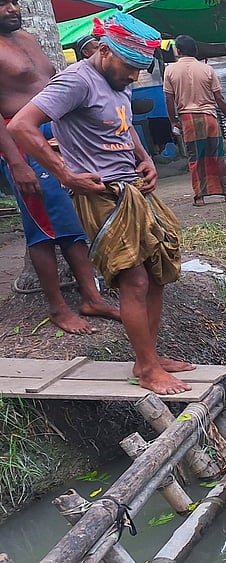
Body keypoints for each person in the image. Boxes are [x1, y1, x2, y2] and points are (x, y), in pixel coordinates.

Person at [12, 14, 194, 394]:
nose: (134, 77)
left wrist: (144, 157)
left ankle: (151, 357)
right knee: (135, 280)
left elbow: (123, 126)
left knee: (158, 274)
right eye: (130, 68)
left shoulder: (118, 80)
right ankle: (146, 369)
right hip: (101, 196)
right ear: (104, 50)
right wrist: (65, 175)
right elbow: (21, 127)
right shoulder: (76, 81)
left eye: (140, 70)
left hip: (133, 189)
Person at [0, 0, 120, 335]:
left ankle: (92, 296)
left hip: (60, 136)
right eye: (2, 4)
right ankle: (57, 308)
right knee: (43, 229)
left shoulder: (28, 38)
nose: (11, 8)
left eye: (14, 2)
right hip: (22, 140)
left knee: (72, 223)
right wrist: (15, 162)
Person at [162, 34, 226, 206]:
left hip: (188, 119)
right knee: (217, 155)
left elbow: (169, 99)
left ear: (178, 51)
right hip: (210, 117)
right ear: (194, 50)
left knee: (195, 158)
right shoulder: (207, 69)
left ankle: (200, 197)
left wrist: (173, 120)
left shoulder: (170, 70)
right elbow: (219, 98)